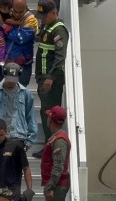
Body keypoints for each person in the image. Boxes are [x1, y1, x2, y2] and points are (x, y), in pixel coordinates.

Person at [33, 1, 68, 148]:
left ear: (53, 13)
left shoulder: (58, 30)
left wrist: (50, 78)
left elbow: (60, 58)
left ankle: (51, 145)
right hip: (43, 77)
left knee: (49, 113)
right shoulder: (47, 27)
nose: (42, 19)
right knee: (45, 111)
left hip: (50, 80)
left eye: (44, 16)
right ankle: (48, 144)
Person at [0, 63, 38, 150]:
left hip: (18, 137)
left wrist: (29, 142)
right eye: (9, 79)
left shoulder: (26, 94)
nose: (11, 82)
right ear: (4, 75)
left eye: (14, 80)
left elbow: (31, 118)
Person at [39, 106, 71, 201]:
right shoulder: (57, 138)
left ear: (51, 119)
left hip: (57, 185)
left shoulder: (59, 140)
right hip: (56, 184)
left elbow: (58, 166)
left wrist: (50, 186)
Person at [0, 0, 37, 86]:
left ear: (26, 8)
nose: (17, 14)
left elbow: (20, 38)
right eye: (15, 11)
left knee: (19, 93)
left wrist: (4, 25)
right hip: (4, 62)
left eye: (21, 12)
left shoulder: (31, 20)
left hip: (22, 65)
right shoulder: (6, 14)